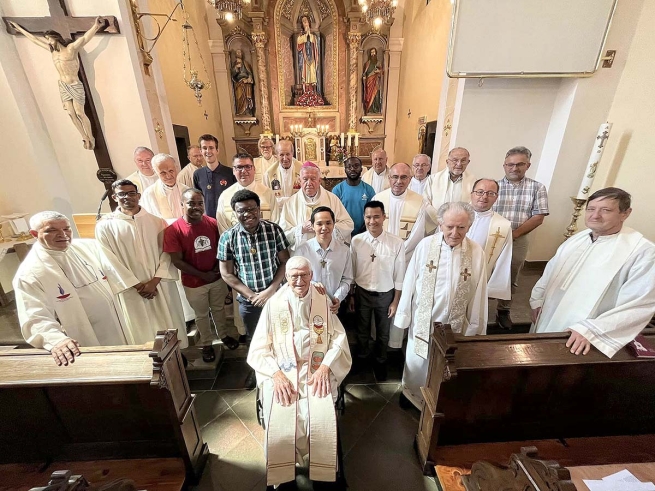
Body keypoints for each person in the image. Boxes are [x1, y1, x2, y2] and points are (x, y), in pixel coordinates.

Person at [247, 256, 351, 489]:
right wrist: (275, 374)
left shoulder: (322, 299)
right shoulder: (274, 304)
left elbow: (339, 338)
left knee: (319, 418)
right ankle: (283, 480)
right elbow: (259, 349)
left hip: (316, 369)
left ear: (312, 275)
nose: (299, 280)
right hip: (283, 369)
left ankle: (325, 477)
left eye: (304, 275)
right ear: (286, 277)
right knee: (282, 416)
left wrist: (325, 367)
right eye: (294, 275)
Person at [530, 187, 655, 358]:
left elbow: (639, 303)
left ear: (625, 213)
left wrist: (592, 330)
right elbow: (550, 272)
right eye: (591, 209)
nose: (595, 215)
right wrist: (537, 300)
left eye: (606, 210)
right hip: (549, 316)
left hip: (585, 337)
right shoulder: (577, 239)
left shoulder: (642, 252)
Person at [394, 202, 488, 409]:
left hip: (455, 321)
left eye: (461, 227)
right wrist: (404, 314)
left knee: (447, 361)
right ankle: (412, 394)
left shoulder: (476, 252)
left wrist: (476, 324)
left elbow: (480, 289)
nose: (455, 233)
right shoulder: (426, 246)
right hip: (425, 317)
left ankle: (438, 399)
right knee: (419, 359)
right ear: (440, 224)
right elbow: (410, 280)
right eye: (450, 227)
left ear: (469, 226)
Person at [13, 211, 127, 366]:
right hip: (85, 337)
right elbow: (34, 317)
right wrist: (57, 340)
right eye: (52, 230)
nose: (62, 235)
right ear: (34, 234)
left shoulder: (86, 247)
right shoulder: (30, 273)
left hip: (118, 325)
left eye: (66, 229)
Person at [95, 179, 187, 347]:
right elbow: (108, 261)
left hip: (160, 284)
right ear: (115, 197)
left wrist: (154, 281)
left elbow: (167, 253)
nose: (127, 197)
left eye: (131, 193)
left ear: (138, 196)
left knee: (169, 320)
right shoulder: (105, 226)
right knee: (141, 329)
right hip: (131, 289)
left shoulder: (157, 221)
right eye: (121, 194)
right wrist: (138, 285)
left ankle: (175, 354)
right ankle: (147, 358)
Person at [219, 190, 290, 388]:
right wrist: (252, 295)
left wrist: (270, 291)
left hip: (276, 296)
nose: (247, 214)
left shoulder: (273, 230)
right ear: (235, 212)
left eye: (252, 209)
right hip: (249, 301)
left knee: (281, 336)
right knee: (255, 339)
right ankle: (257, 372)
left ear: (259, 210)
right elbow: (226, 273)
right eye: (241, 211)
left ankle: (283, 371)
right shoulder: (228, 237)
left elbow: (285, 262)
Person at [164, 189, 239, 363]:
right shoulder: (173, 230)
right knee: (202, 314)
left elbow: (222, 248)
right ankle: (206, 343)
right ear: (182, 204)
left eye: (200, 203)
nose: (196, 207)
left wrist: (216, 270)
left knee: (219, 309)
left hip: (216, 277)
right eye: (191, 203)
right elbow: (177, 261)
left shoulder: (212, 223)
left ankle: (224, 335)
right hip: (194, 282)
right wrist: (202, 275)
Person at [8, 18, 106, 150]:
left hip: (74, 84)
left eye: (50, 39)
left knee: (79, 113)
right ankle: (84, 137)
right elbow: (35, 40)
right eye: (47, 39)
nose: (48, 41)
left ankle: (91, 136)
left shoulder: (70, 49)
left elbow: (84, 39)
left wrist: (95, 26)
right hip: (63, 86)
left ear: (56, 38)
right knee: (71, 114)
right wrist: (19, 29)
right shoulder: (52, 52)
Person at [493, 146, 548, 329]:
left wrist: (514, 234)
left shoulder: (537, 188)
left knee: (511, 273)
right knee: (485, 271)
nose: (514, 168)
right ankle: (480, 307)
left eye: (519, 164)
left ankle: (504, 310)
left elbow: (538, 217)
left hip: (519, 238)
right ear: (504, 165)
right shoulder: (494, 187)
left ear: (528, 165)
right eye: (510, 164)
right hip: (492, 237)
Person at [350, 201, 405, 381]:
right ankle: (363, 359)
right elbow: (352, 269)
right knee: (362, 330)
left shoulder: (396, 243)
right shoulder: (357, 241)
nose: (372, 221)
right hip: (362, 292)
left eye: (376, 217)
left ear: (384, 217)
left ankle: (381, 361)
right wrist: (351, 295)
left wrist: (395, 301)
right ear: (364, 218)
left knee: (383, 332)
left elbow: (399, 275)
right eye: (368, 217)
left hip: (385, 294)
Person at [279, 162, 354, 250]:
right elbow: (282, 234)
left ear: (319, 181)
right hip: (302, 254)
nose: (309, 183)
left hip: (327, 252)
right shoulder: (290, 203)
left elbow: (348, 224)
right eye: (305, 179)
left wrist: (327, 227)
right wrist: (302, 229)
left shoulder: (332, 199)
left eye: (313, 179)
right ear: (300, 181)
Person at [294, 207, 353, 314]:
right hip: (309, 303)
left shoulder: (344, 250)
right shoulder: (302, 250)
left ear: (334, 224)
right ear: (312, 226)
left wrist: (337, 298)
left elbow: (347, 279)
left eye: (328, 223)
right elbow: (297, 278)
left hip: (335, 305)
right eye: (319, 224)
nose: (324, 227)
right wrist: (312, 285)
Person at [373, 162, 435, 262]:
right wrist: (384, 250)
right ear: (389, 178)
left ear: (410, 179)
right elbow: (372, 227)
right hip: (381, 254)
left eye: (403, 177)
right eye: (395, 177)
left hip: (405, 258)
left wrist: (400, 251)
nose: (399, 181)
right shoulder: (377, 199)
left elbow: (417, 234)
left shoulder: (419, 202)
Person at [466, 178, 513, 301]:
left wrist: (493, 289)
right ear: (472, 194)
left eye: (490, 193)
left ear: (496, 197)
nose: (484, 197)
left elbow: (504, 259)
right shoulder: (455, 214)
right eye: (480, 192)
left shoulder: (502, 226)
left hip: (478, 279)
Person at [216, 153, 280, 234]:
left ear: (254, 169)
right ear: (233, 171)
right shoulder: (225, 196)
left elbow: (275, 221)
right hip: (237, 244)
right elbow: (223, 227)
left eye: (247, 167)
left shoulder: (268, 193)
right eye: (239, 167)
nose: (243, 171)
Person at [193, 134, 237, 219]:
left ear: (217, 150)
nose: (208, 151)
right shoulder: (197, 174)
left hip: (228, 218)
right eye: (204, 148)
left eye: (211, 148)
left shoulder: (230, 172)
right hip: (208, 220)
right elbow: (198, 200)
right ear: (201, 151)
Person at [331, 157, 376, 236]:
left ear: (361, 169)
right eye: (349, 166)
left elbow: (373, 211)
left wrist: (365, 227)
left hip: (364, 231)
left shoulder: (369, 190)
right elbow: (334, 213)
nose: (352, 169)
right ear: (345, 169)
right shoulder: (337, 190)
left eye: (356, 166)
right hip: (342, 232)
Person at [423, 147, 476, 212]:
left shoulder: (473, 181)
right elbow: (426, 202)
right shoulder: (433, 179)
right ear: (447, 162)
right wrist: (439, 219)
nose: (459, 164)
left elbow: (473, 203)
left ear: (468, 162)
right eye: (455, 160)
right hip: (434, 220)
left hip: (461, 221)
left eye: (463, 160)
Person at [141, 153, 189, 223]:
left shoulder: (186, 190)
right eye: (163, 173)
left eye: (171, 171)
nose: (168, 176)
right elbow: (149, 221)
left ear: (176, 168)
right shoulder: (150, 193)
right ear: (155, 172)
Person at [263, 140, 303, 208]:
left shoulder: (303, 170)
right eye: (281, 155)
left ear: (292, 153)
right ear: (276, 155)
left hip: (298, 209)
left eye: (287, 154)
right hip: (278, 212)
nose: (285, 158)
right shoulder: (269, 174)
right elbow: (266, 198)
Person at [231, 49, 255, 117]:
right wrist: (236, 68)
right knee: (240, 97)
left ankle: (247, 110)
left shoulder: (245, 63)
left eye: (240, 52)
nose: (239, 53)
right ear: (236, 54)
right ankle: (241, 111)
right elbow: (232, 75)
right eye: (237, 52)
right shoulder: (235, 64)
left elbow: (249, 73)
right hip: (239, 83)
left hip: (246, 84)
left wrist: (249, 78)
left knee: (247, 98)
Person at [362, 47, 383, 115]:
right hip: (369, 82)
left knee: (376, 96)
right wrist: (364, 77)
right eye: (371, 52)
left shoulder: (378, 63)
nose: (373, 54)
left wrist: (379, 71)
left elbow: (382, 72)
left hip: (376, 82)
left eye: (374, 52)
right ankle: (369, 109)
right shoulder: (367, 64)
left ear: (376, 53)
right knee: (369, 96)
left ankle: (376, 110)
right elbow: (364, 73)